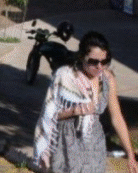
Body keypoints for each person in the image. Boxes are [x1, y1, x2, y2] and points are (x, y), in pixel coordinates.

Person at [33, 31, 138, 173]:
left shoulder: (108, 80)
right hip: (66, 145)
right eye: (93, 62)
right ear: (82, 57)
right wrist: (74, 111)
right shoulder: (65, 76)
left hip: (94, 146)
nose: (100, 67)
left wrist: (130, 155)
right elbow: (49, 115)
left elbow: (117, 118)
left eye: (104, 61)